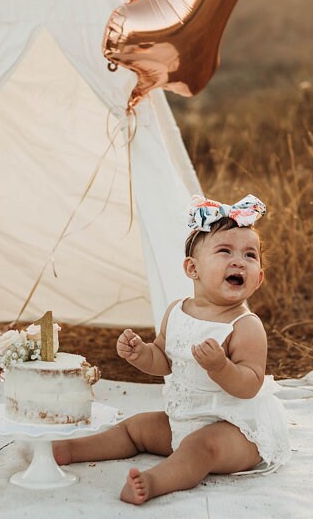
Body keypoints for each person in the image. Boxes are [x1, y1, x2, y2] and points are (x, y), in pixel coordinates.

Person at [53, 194, 291, 504]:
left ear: (258, 278)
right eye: (225, 251)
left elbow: (249, 385)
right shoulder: (177, 311)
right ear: (193, 268)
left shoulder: (246, 326)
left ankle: (153, 482)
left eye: (250, 255)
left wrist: (222, 367)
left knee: (199, 447)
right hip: (183, 418)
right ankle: (72, 449)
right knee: (136, 428)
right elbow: (163, 359)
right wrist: (141, 354)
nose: (238, 261)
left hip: (236, 430)